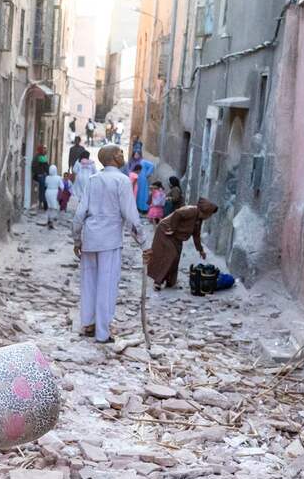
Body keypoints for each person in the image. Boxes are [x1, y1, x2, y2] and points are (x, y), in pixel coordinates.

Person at [71, 144, 145, 343]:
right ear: (112, 157)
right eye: (120, 152)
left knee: (89, 283)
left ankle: (88, 324)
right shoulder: (122, 180)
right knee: (106, 285)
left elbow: (80, 213)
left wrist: (77, 239)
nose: (123, 155)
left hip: (90, 238)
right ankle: (102, 333)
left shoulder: (94, 180)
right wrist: (144, 243)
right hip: (110, 241)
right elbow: (130, 215)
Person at [146, 198, 219, 290]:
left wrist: (201, 250)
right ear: (206, 212)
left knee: (176, 258)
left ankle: (170, 282)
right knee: (171, 254)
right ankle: (158, 281)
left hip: (176, 236)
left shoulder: (198, 219)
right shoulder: (191, 211)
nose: (210, 216)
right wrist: (172, 228)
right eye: (210, 214)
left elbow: (196, 235)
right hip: (166, 231)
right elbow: (178, 213)